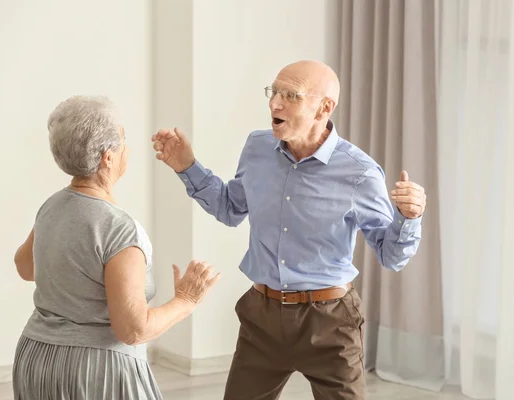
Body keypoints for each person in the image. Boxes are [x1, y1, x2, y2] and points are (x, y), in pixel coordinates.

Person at [152, 60, 426, 400]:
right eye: (274, 92)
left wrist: (408, 218)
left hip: (329, 323)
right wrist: (187, 167)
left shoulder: (360, 173)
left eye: (290, 95)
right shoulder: (257, 148)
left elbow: (391, 255)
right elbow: (230, 208)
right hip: (262, 318)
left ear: (324, 107)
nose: (274, 104)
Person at [13, 95, 220, 400]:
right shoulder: (120, 230)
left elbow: (25, 267)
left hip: (37, 358)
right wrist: (187, 299)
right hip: (95, 370)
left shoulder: (52, 206)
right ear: (108, 157)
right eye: (124, 139)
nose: (128, 149)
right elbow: (133, 330)